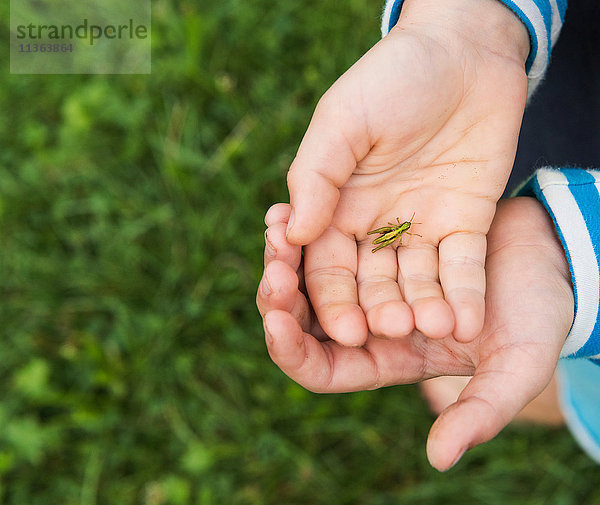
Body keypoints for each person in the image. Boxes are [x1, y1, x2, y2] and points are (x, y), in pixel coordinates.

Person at [258, 0, 600, 469]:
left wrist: (577, 259)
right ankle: (566, 388)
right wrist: (464, 25)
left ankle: (566, 394)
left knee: (576, 376)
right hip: (561, 72)